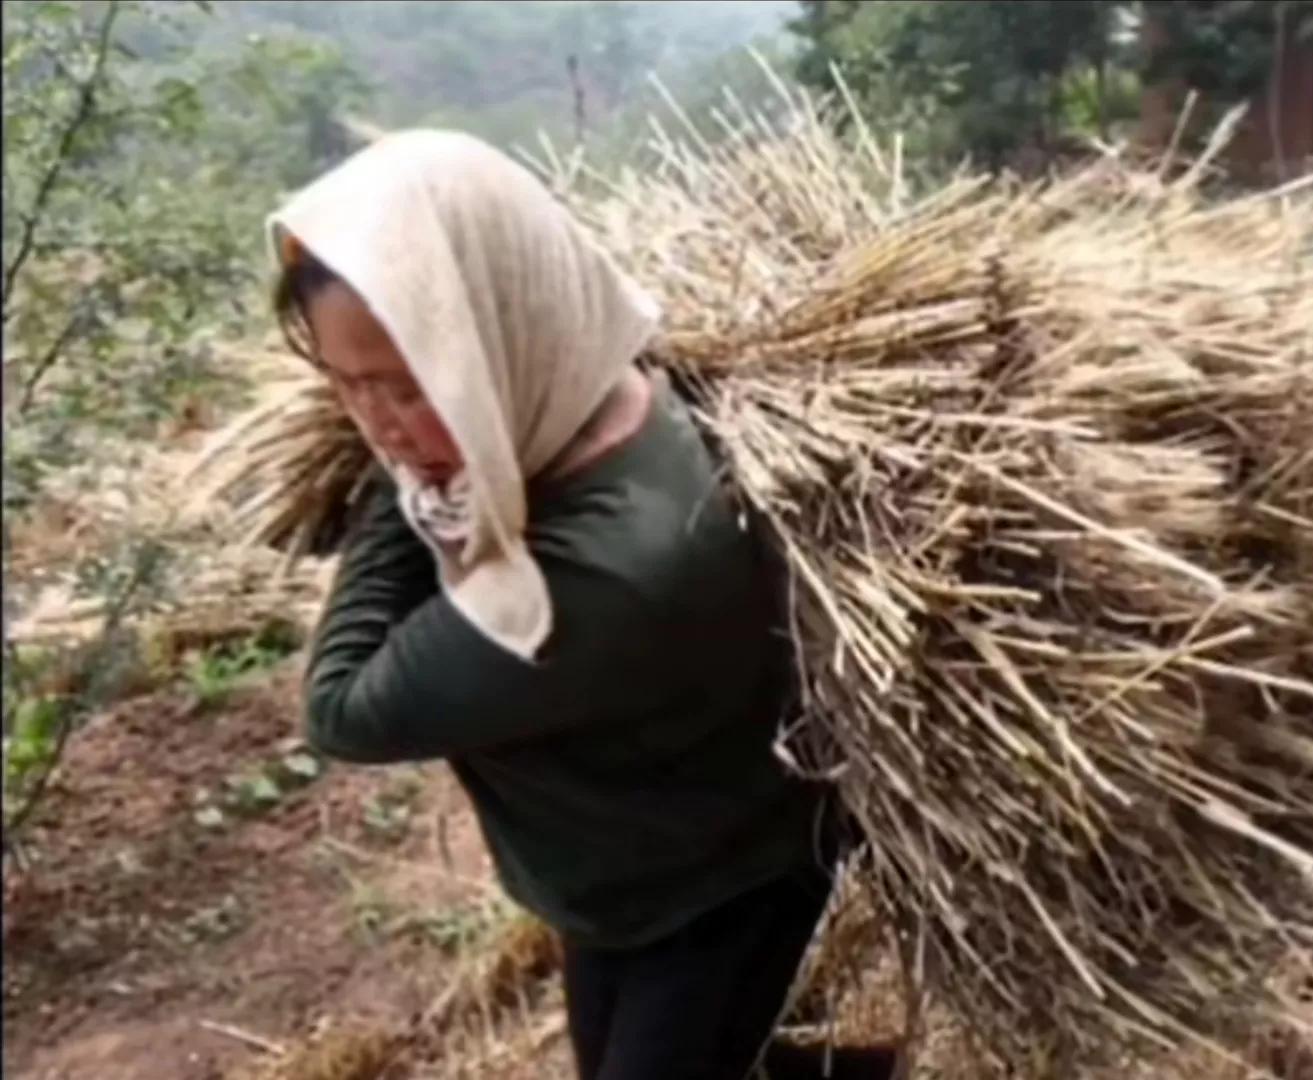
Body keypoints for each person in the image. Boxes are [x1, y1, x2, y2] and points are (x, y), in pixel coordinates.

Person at [269, 129, 897, 1080]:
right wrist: (425, 453)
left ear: (503, 337)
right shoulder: (589, 391)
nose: (380, 426)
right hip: (629, 861)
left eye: (409, 386)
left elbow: (344, 707)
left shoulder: (611, 571)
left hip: (715, 883)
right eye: (347, 387)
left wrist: (393, 486)